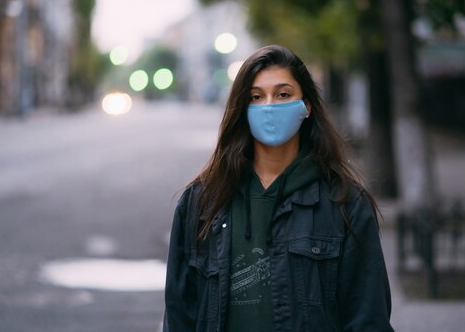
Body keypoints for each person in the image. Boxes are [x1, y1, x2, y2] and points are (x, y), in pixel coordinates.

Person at [164, 45, 394, 332]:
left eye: (283, 94)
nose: (269, 106)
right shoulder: (201, 202)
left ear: (306, 105)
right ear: (241, 109)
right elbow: (179, 316)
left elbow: (367, 318)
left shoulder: (345, 203)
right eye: (256, 97)